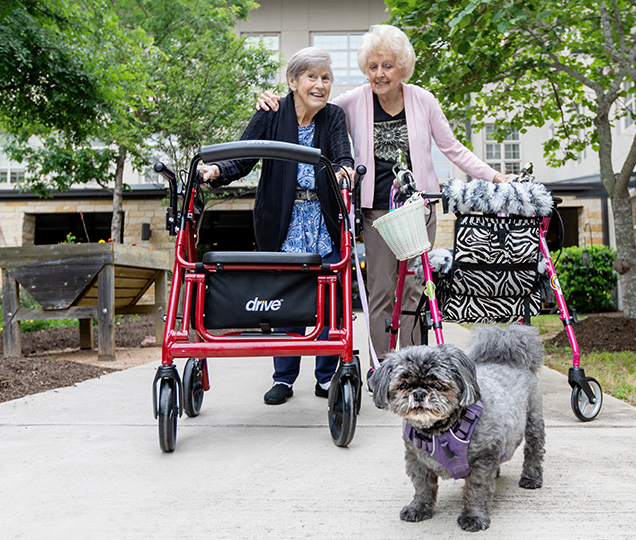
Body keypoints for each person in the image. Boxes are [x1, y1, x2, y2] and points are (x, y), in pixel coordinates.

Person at [258, 25, 511, 375]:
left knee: (414, 289)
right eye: (373, 66)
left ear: (402, 68)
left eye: (388, 66)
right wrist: (273, 102)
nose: (379, 74)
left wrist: (493, 175)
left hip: (417, 209)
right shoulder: (351, 102)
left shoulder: (423, 100)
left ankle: (412, 364)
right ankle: (383, 366)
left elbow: (452, 148)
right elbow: (312, 105)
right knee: (379, 292)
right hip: (375, 211)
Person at [199, 47, 353, 405]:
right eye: (311, 77)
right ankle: (284, 378)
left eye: (325, 78)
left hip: (323, 221)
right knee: (284, 301)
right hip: (282, 222)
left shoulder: (333, 117)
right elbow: (242, 155)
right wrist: (216, 171)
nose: (319, 84)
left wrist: (344, 171)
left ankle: (327, 377)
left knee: (329, 302)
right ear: (293, 81)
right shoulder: (272, 111)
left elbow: (343, 157)